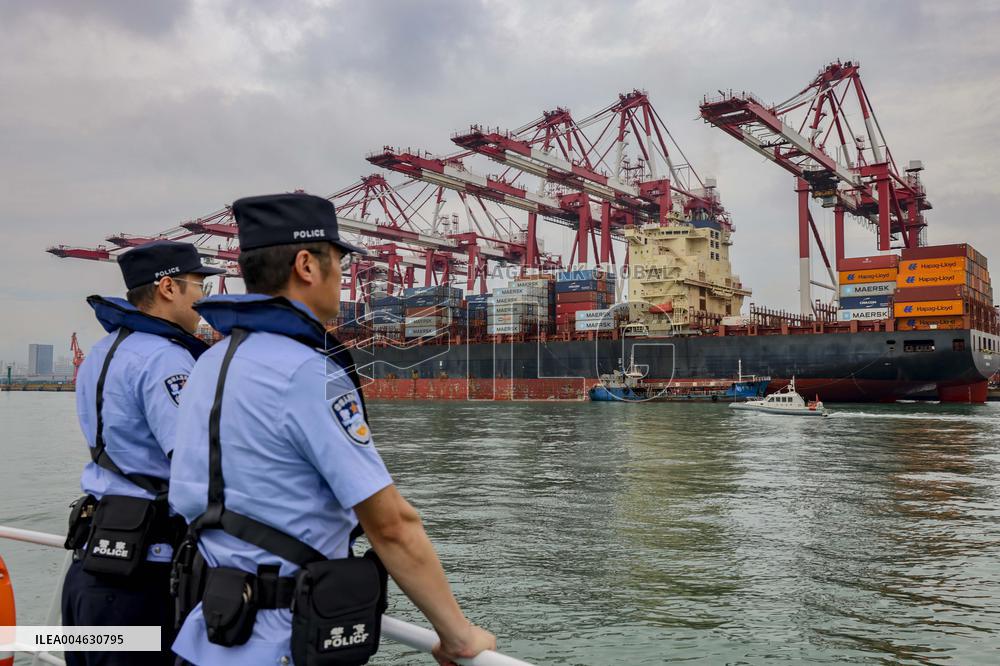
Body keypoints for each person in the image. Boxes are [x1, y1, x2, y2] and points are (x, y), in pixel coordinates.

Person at [168, 193, 495, 666]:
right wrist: (458, 636)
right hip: (281, 646)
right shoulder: (307, 372)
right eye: (340, 264)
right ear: (306, 264)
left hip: (206, 634)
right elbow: (392, 525)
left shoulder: (210, 362)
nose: (345, 280)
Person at [61, 240, 226, 666]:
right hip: (142, 578)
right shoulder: (166, 360)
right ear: (169, 287)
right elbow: (196, 464)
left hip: (89, 568)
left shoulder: (100, 353)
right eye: (198, 286)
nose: (203, 299)